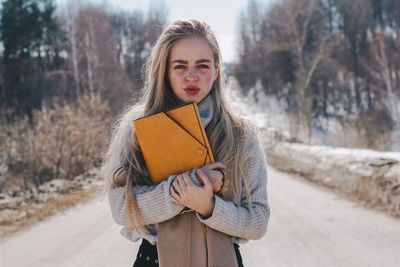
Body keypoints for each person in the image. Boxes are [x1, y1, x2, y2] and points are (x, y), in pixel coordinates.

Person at [100, 19, 270, 267]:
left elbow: (258, 222)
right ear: (165, 71)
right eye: (180, 66)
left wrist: (209, 206)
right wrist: (180, 193)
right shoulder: (136, 129)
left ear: (217, 70)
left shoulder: (242, 134)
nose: (191, 76)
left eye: (202, 65)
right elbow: (121, 210)